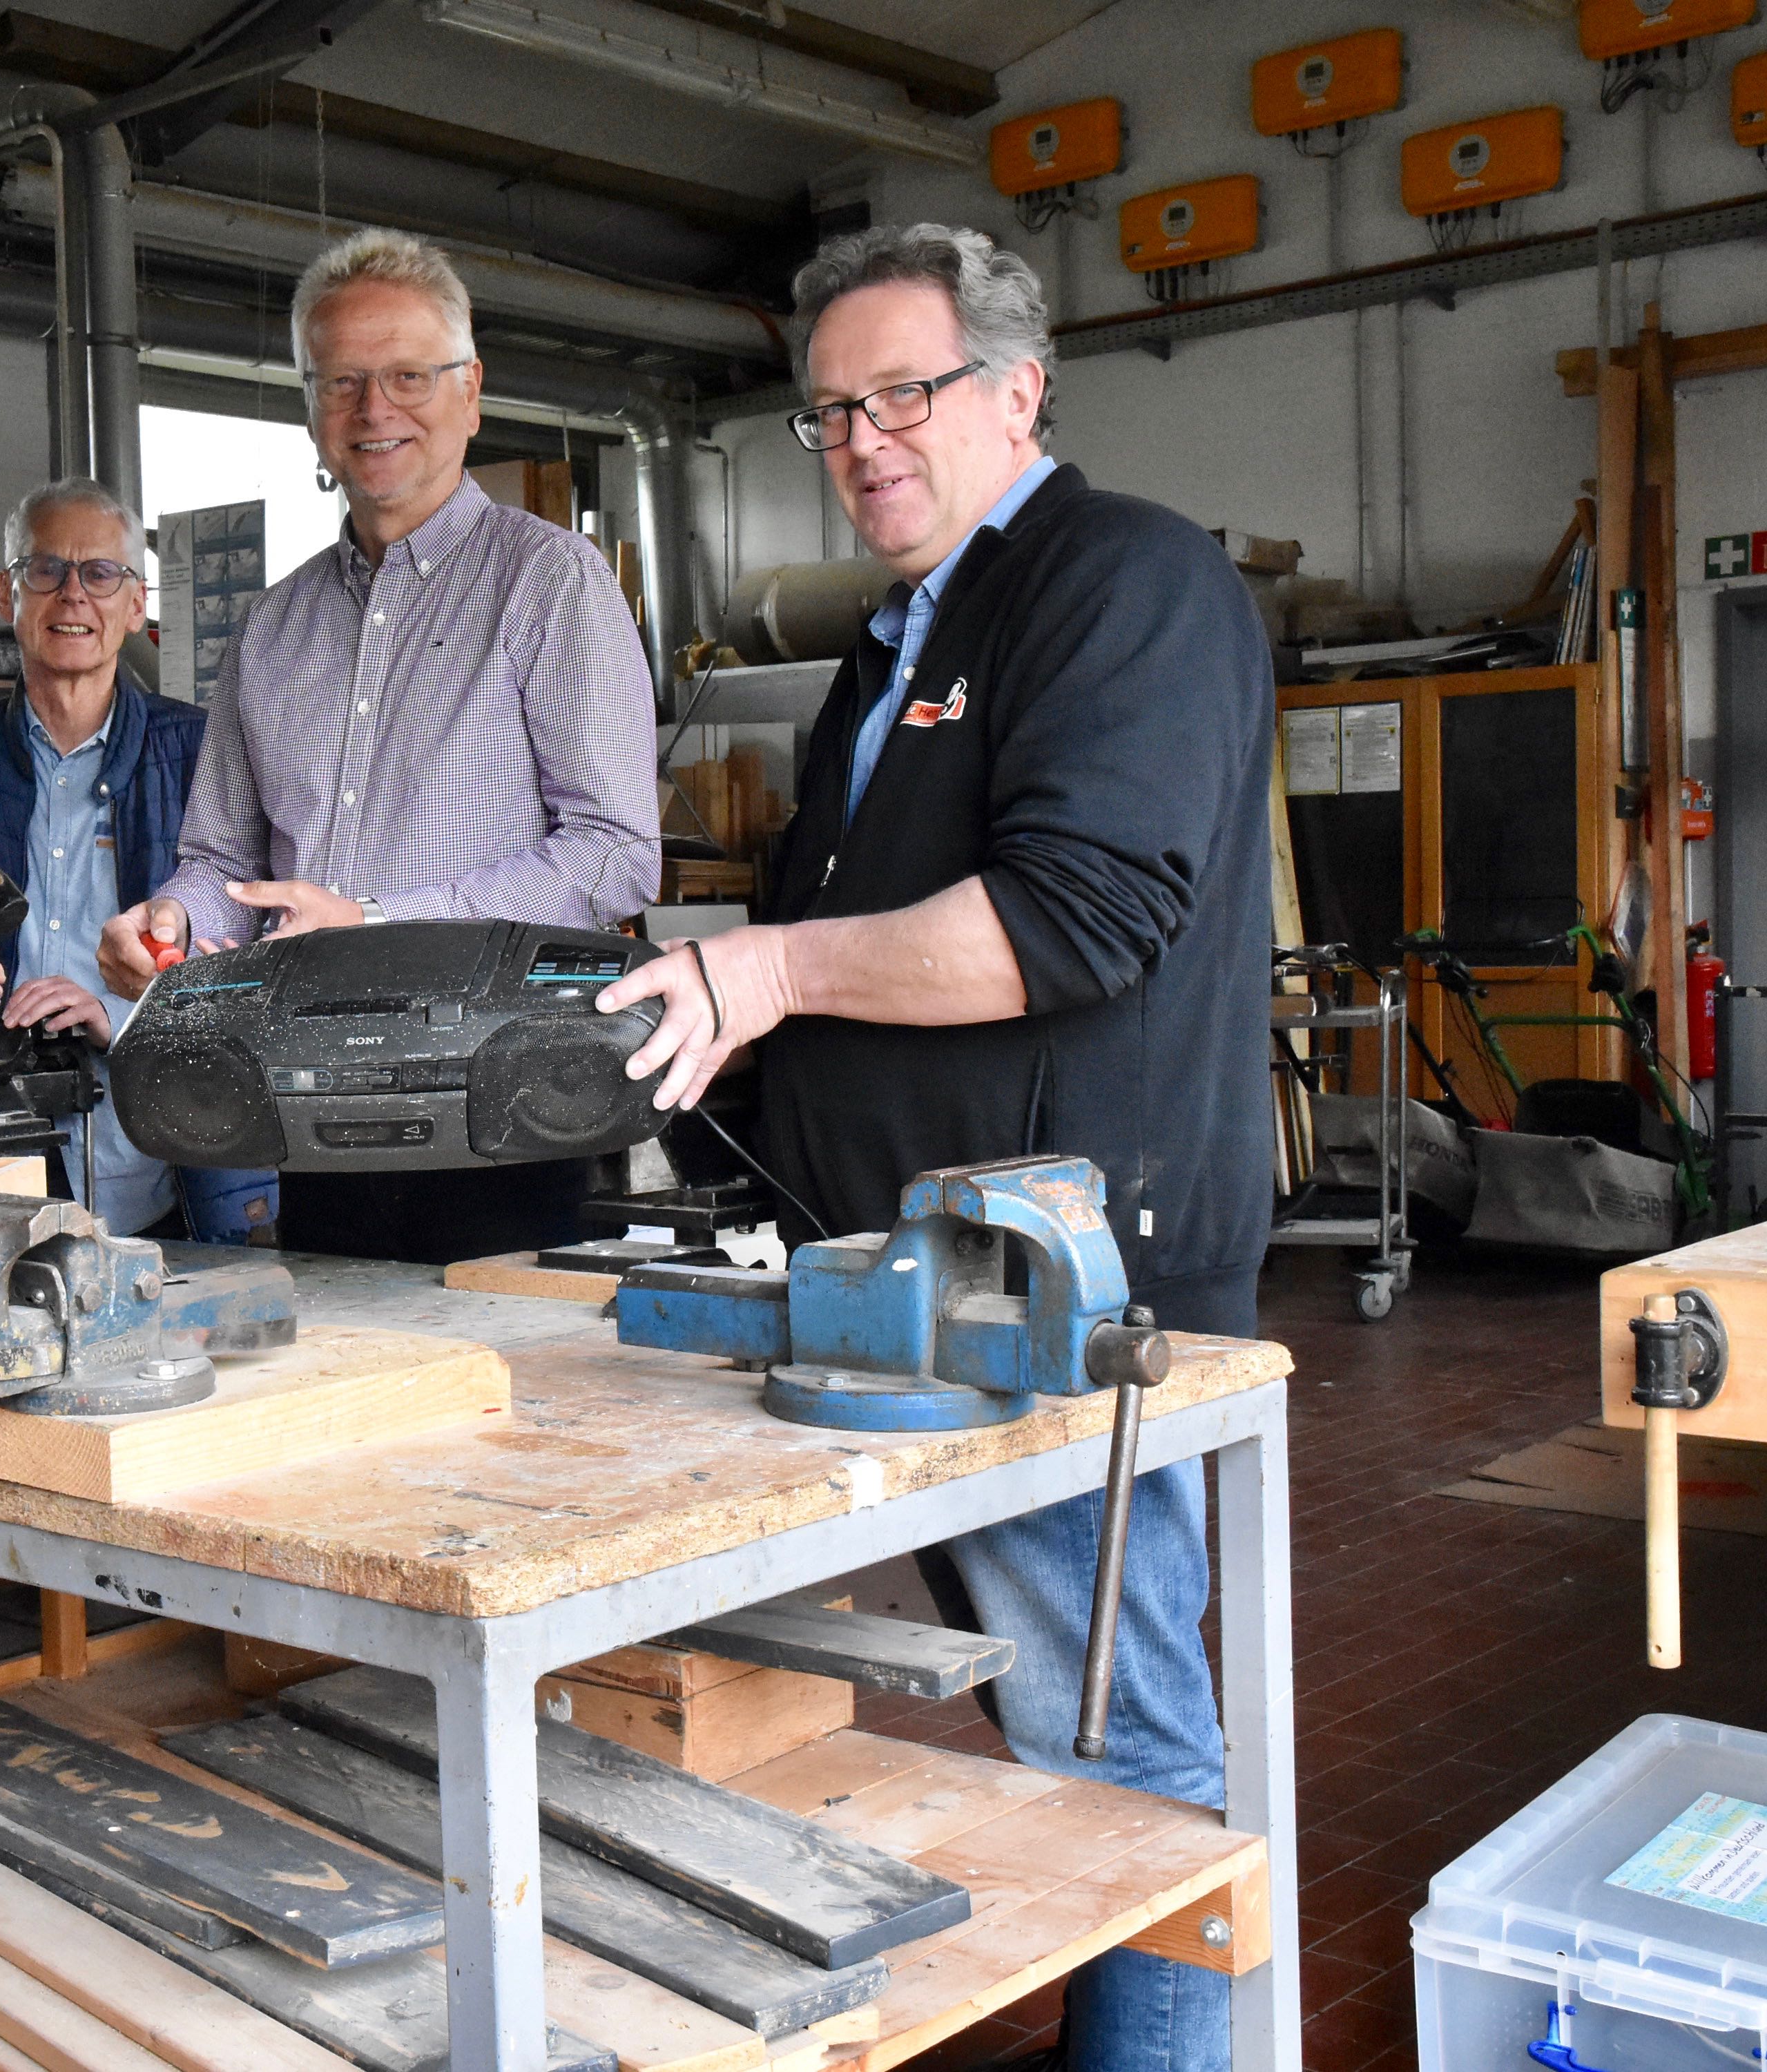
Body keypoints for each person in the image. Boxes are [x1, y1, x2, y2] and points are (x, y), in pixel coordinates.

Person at [595, 224, 1272, 2072]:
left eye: (907, 392)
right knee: (1055, 1728)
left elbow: (1076, 920)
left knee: (1121, 1745)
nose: (865, 439)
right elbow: (827, 938)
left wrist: (777, 966)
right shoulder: (899, 643)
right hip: (907, 1279)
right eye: (830, 412)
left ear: (1018, 389)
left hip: (1067, 1292)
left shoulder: (1123, 582)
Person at [95, 227, 661, 1265]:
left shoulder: (550, 585)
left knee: (509, 1413)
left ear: (471, 388)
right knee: (333, 1397)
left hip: (505, 1114)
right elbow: (224, 860)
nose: (374, 410)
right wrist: (171, 920)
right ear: (313, 408)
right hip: (307, 1118)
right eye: (343, 382)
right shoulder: (272, 625)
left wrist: (375, 923)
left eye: (407, 374)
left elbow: (615, 852)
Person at [0, 479, 232, 1238]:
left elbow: (244, 961)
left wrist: (116, 1016)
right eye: (46, 571)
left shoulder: (201, 757)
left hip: (162, 1163)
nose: (73, 595)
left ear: (135, 605)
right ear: (8, 593)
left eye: (101, 574)